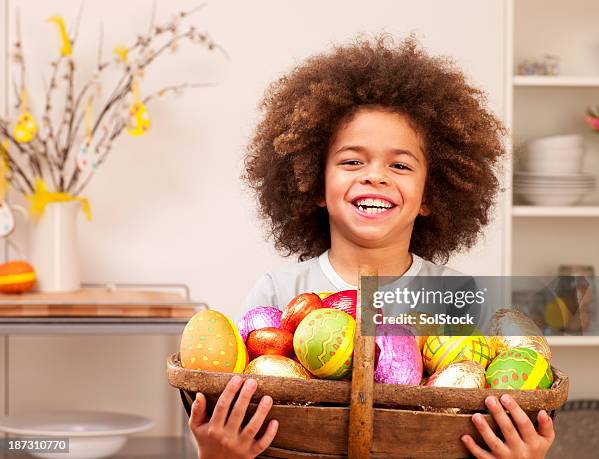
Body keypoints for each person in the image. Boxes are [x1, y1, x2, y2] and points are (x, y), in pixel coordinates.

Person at [188, 35, 555, 459]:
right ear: (315, 185)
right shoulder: (278, 291)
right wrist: (217, 454)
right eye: (351, 161)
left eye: (399, 165)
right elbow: (240, 415)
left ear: (432, 194)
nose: (375, 176)